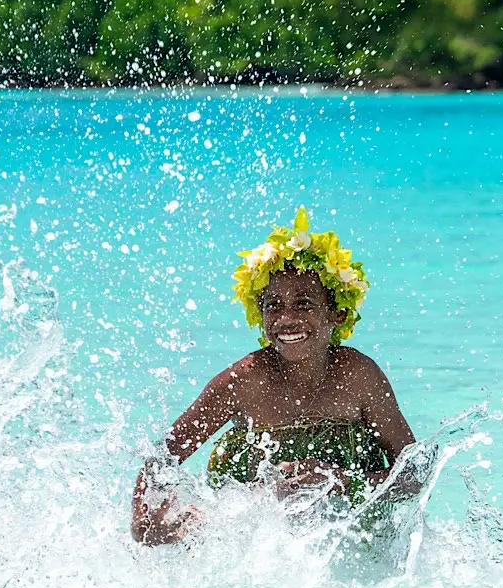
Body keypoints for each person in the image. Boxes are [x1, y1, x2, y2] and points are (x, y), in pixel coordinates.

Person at [132, 208, 418, 545]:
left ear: (337, 314)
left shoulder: (358, 378)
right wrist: (145, 520)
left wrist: (340, 480)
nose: (286, 318)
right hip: (257, 543)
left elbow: (413, 473)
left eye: (303, 303)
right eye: (273, 305)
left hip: (350, 536)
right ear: (260, 313)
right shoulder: (243, 381)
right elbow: (163, 457)